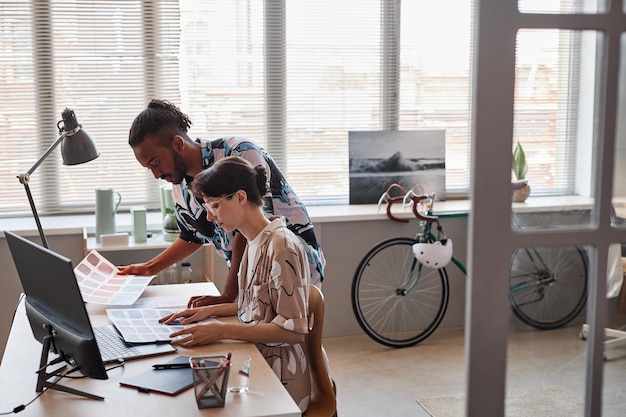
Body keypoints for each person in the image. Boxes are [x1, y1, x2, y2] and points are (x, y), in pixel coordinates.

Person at [118, 99, 325, 307]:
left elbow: (255, 227)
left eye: (156, 163)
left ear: (178, 144)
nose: (156, 174)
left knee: (288, 334)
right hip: (252, 281)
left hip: (291, 266)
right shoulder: (180, 187)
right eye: (149, 168)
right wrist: (149, 268)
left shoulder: (239, 153)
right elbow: (192, 237)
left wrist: (229, 295)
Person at [160, 156, 312, 411]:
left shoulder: (282, 247)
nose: (209, 216)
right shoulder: (252, 241)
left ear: (240, 197)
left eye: (214, 205)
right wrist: (209, 312)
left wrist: (221, 330)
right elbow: (256, 306)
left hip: (280, 378)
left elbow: (293, 331)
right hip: (255, 359)